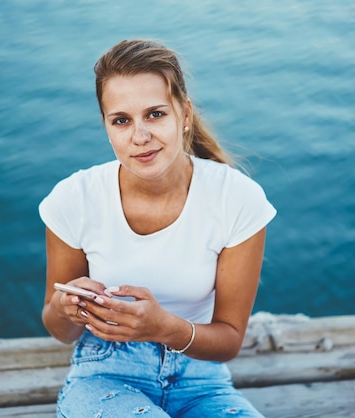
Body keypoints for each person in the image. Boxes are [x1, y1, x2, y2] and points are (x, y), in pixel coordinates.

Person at [39, 39, 276, 417]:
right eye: (121, 120)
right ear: (106, 126)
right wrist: (67, 308)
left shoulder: (238, 198)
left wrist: (164, 327)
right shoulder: (73, 199)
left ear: (184, 114)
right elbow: (59, 329)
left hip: (202, 380)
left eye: (155, 114)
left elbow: (229, 340)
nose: (139, 136)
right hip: (106, 373)